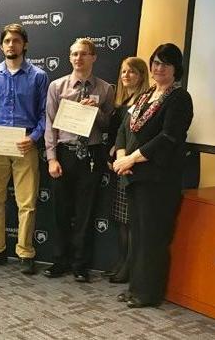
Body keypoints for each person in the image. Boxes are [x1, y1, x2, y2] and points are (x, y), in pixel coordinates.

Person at [113, 44, 193, 308]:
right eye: (156, 63)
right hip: (136, 177)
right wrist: (122, 155)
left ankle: (148, 294)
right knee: (139, 236)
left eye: (165, 64)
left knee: (152, 238)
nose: (159, 68)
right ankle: (136, 287)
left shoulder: (179, 98)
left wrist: (131, 158)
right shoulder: (147, 94)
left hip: (158, 181)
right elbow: (127, 126)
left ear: (175, 69)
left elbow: (168, 139)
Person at [0, 24, 49, 274]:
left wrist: (35, 137)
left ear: (24, 45)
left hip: (25, 146)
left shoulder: (38, 76)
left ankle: (25, 252)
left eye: (16, 41)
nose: (11, 45)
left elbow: (44, 115)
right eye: (7, 41)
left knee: (26, 203)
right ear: (1, 45)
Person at [44, 38, 115, 282]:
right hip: (65, 153)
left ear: (93, 57)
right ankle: (59, 260)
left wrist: (96, 112)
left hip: (92, 156)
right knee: (60, 211)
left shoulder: (105, 89)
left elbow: (108, 125)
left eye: (84, 54)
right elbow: (49, 126)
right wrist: (52, 158)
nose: (78, 58)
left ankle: (80, 265)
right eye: (74, 54)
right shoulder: (57, 86)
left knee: (86, 213)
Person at [103, 57, 149, 283]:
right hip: (118, 165)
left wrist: (123, 155)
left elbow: (138, 136)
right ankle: (122, 262)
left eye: (132, 72)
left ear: (141, 75)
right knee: (121, 220)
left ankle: (128, 268)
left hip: (132, 168)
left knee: (129, 221)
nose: (126, 75)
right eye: (123, 71)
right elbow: (118, 133)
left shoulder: (145, 100)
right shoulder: (123, 100)